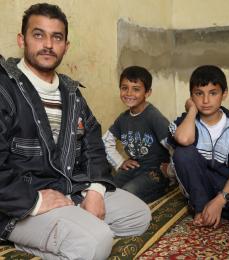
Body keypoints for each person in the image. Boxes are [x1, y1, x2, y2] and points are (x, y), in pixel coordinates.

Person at [0, 3, 151, 259]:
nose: (48, 44)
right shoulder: (6, 90)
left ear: (66, 46)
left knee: (139, 216)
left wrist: (95, 191)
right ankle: (44, 235)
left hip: (71, 190)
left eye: (56, 37)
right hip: (23, 201)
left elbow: (93, 146)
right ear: (21, 40)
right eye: (38, 35)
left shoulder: (71, 92)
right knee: (96, 242)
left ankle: (69, 232)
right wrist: (36, 202)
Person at [167, 65, 229, 228]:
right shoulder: (185, 123)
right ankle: (200, 206)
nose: (205, 101)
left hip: (224, 182)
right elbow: (183, 139)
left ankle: (212, 206)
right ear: (191, 96)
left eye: (213, 93)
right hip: (198, 182)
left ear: (224, 94)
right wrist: (191, 111)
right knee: (183, 153)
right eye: (199, 94)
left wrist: (220, 201)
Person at [103, 66, 170, 203]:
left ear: (148, 92)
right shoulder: (123, 118)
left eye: (136, 89)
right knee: (108, 189)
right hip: (135, 168)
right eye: (124, 88)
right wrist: (120, 162)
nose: (129, 93)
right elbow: (105, 141)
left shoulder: (153, 116)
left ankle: (162, 187)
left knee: (128, 193)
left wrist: (170, 170)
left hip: (155, 171)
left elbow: (174, 145)